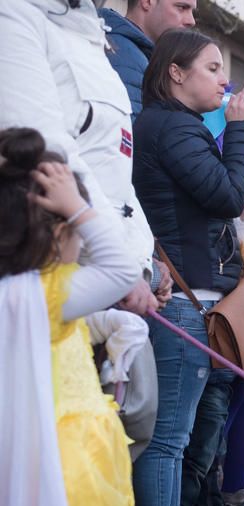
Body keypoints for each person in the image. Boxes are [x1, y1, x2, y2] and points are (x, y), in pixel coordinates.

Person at [0, 127, 138, 506]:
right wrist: (80, 206)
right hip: (68, 479)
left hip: (59, 471)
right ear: (57, 231)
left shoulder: (35, 299)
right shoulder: (42, 293)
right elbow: (122, 269)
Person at [131, 29, 244, 506]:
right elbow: (227, 196)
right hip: (187, 299)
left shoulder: (175, 125)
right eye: (212, 68)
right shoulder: (173, 129)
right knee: (168, 439)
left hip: (197, 293)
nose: (224, 80)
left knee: (191, 435)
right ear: (176, 74)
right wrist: (242, 129)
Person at [0, 0, 162, 316]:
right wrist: (120, 265)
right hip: (53, 266)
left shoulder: (88, 31)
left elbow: (115, 162)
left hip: (105, 277)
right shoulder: (14, 15)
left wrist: (141, 257)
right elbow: (48, 152)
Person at [100, 0, 197, 122]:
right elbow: (126, 136)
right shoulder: (125, 56)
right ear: (147, 2)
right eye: (182, 7)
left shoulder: (139, 54)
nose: (191, 21)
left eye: (192, 11)